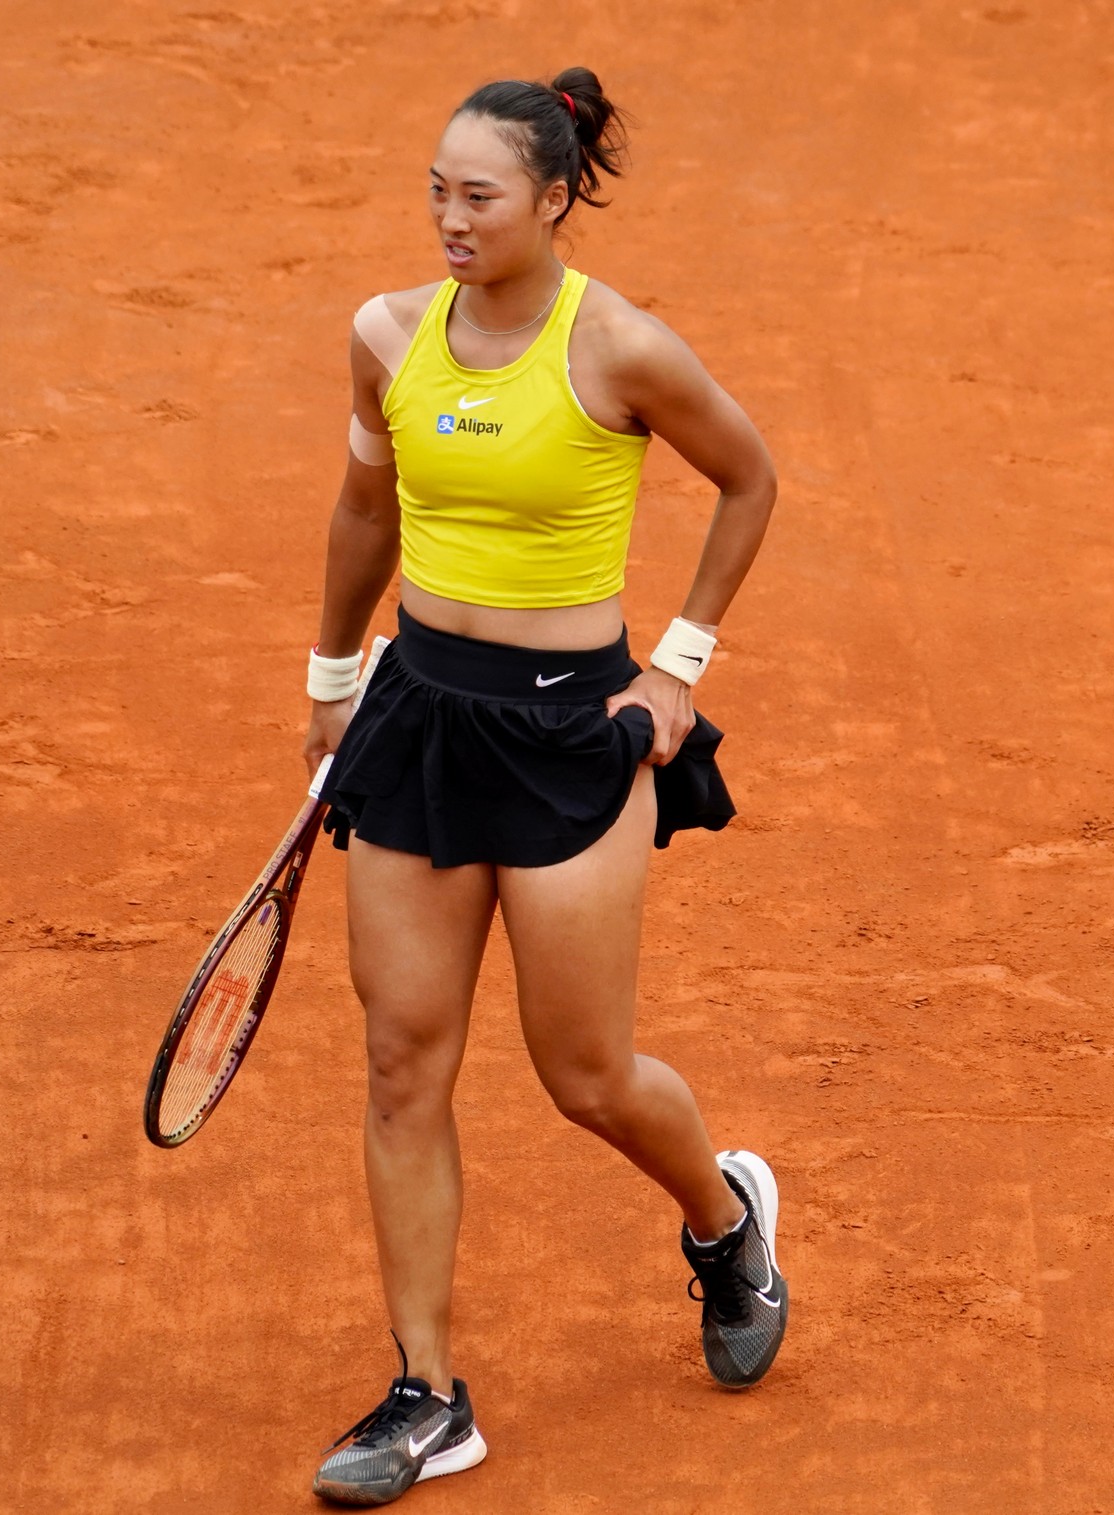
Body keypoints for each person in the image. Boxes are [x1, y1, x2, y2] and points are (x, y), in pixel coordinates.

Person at [300, 67, 782, 1506]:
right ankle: (426, 1392)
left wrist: (680, 664)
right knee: (402, 1060)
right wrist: (333, 685)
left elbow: (748, 479)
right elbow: (366, 507)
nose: (450, 220)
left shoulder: (620, 348)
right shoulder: (388, 335)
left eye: (480, 195)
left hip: (573, 732)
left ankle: (723, 1219)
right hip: (420, 718)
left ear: (554, 199)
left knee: (584, 1075)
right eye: (437, 192)